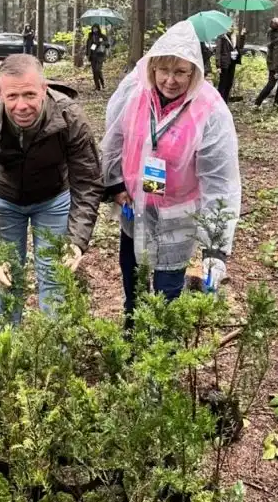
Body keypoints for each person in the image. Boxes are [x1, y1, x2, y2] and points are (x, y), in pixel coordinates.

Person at [102, 21, 241, 322]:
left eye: (181, 72)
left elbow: (219, 181)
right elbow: (113, 138)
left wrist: (215, 247)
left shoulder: (210, 110)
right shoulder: (135, 92)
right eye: (164, 70)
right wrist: (115, 183)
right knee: (133, 279)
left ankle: (161, 351)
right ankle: (132, 333)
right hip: (134, 207)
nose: (170, 80)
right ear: (151, 68)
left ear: (194, 72)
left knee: (167, 290)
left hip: (177, 214)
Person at [0, 54, 103, 318]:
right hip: (5, 199)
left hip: (54, 198)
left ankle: (53, 349)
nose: (21, 105)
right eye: (12, 96)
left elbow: (87, 180)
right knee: (5, 276)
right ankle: (7, 350)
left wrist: (76, 239)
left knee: (55, 276)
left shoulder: (70, 117)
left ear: (44, 89)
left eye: (29, 94)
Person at [255, 17, 278, 108]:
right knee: (271, 84)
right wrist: (277, 71)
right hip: (277, 65)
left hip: (275, 64)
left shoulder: (271, 33)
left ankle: (277, 103)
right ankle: (258, 102)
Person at [215, 25, 246, 102]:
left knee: (229, 83)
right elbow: (218, 51)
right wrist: (218, 65)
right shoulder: (221, 37)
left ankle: (225, 101)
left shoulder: (233, 37)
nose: (231, 28)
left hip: (232, 62)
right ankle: (219, 102)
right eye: (229, 27)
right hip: (224, 63)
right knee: (223, 83)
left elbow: (240, 47)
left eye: (232, 27)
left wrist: (242, 35)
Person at [85, 23, 108, 91]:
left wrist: (102, 42)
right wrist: (87, 54)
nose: (95, 29)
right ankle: (97, 87)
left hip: (100, 56)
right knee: (94, 72)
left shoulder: (102, 36)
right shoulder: (90, 36)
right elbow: (88, 46)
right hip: (92, 56)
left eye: (96, 28)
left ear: (98, 28)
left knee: (98, 70)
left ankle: (102, 83)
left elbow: (107, 45)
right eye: (93, 28)